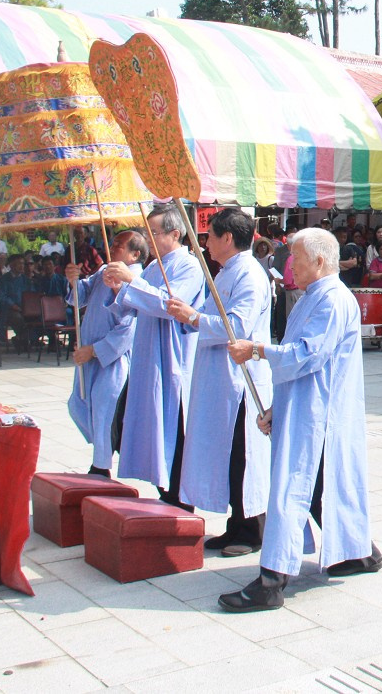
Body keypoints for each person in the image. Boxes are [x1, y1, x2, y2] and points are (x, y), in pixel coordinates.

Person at [220, 228, 381, 612]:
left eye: (296, 256)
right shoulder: (315, 296)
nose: (289, 263)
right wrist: (279, 406)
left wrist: (256, 350)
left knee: (293, 490)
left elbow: (306, 355)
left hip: (318, 415)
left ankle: (271, 581)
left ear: (320, 261)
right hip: (306, 408)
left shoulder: (332, 300)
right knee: (322, 488)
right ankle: (360, 553)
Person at [166, 209, 273, 557]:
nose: (205, 242)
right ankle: (234, 525)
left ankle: (252, 530)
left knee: (243, 453)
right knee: (226, 453)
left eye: (209, 235)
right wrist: (189, 317)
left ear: (228, 238)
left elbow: (238, 326)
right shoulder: (227, 272)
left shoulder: (250, 275)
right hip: (218, 377)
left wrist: (195, 317)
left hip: (240, 381)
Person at [106, 204, 206, 510]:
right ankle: (165, 489)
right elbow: (134, 304)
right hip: (147, 358)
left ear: (175, 234)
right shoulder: (152, 267)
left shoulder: (189, 266)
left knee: (174, 429)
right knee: (134, 423)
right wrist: (116, 289)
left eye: (154, 232)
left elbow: (169, 304)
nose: (147, 238)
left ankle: (179, 497)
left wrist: (132, 283)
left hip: (172, 360)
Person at [64, 230, 147, 476]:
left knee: (104, 409)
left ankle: (101, 466)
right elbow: (79, 298)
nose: (113, 248)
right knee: (78, 403)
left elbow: (130, 328)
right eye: (112, 244)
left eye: (119, 246)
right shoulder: (103, 271)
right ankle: (106, 449)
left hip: (114, 358)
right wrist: (73, 280)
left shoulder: (138, 279)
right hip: (89, 355)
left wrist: (95, 350)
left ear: (135, 254)